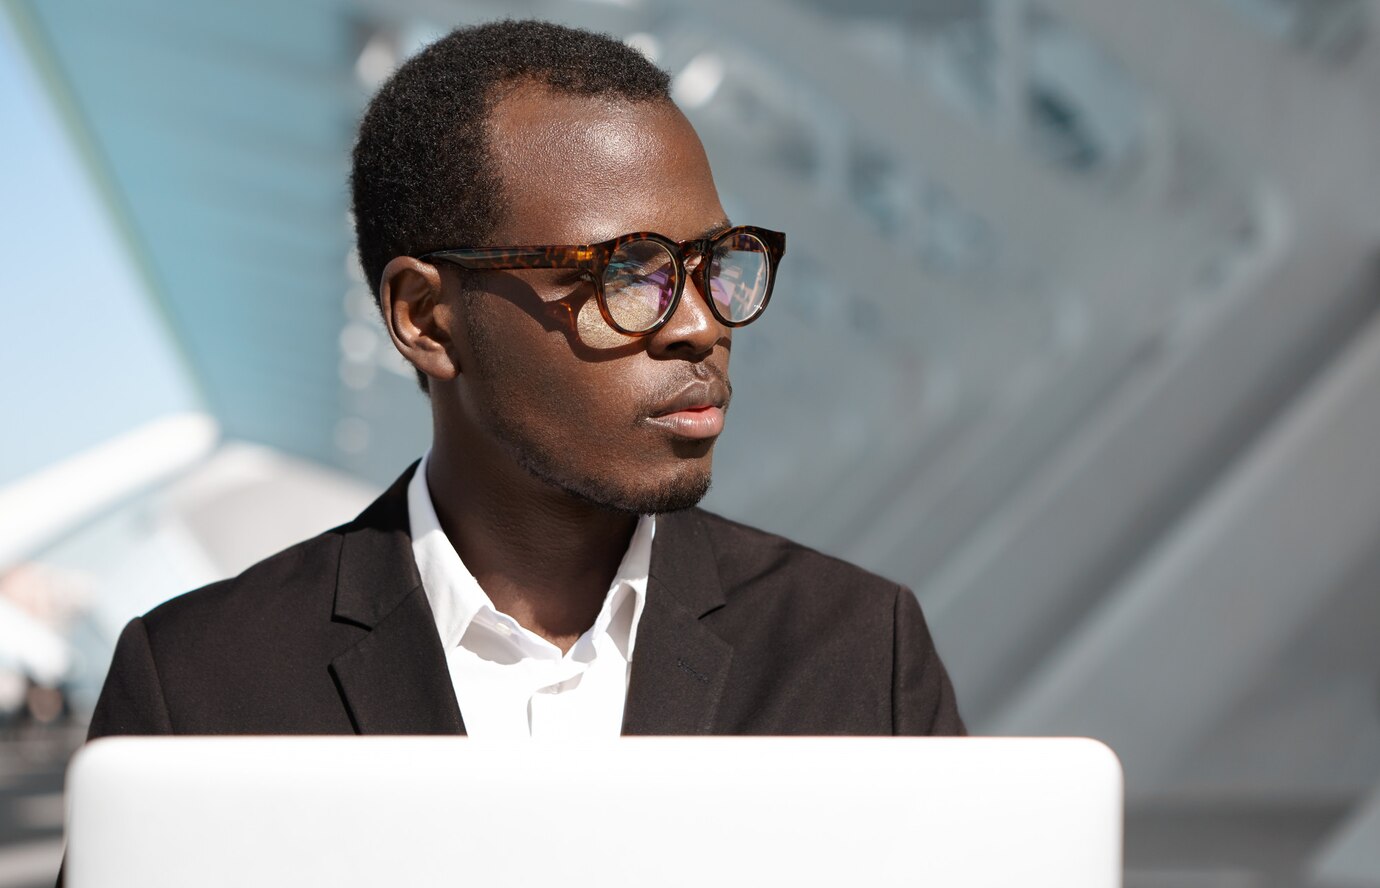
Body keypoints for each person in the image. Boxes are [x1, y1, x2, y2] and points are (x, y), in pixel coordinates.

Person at [82, 19, 963, 750]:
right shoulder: (201, 692)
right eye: (630, 274)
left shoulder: (854, 651)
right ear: (428, 318)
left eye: (715, 263)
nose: (703, 324)